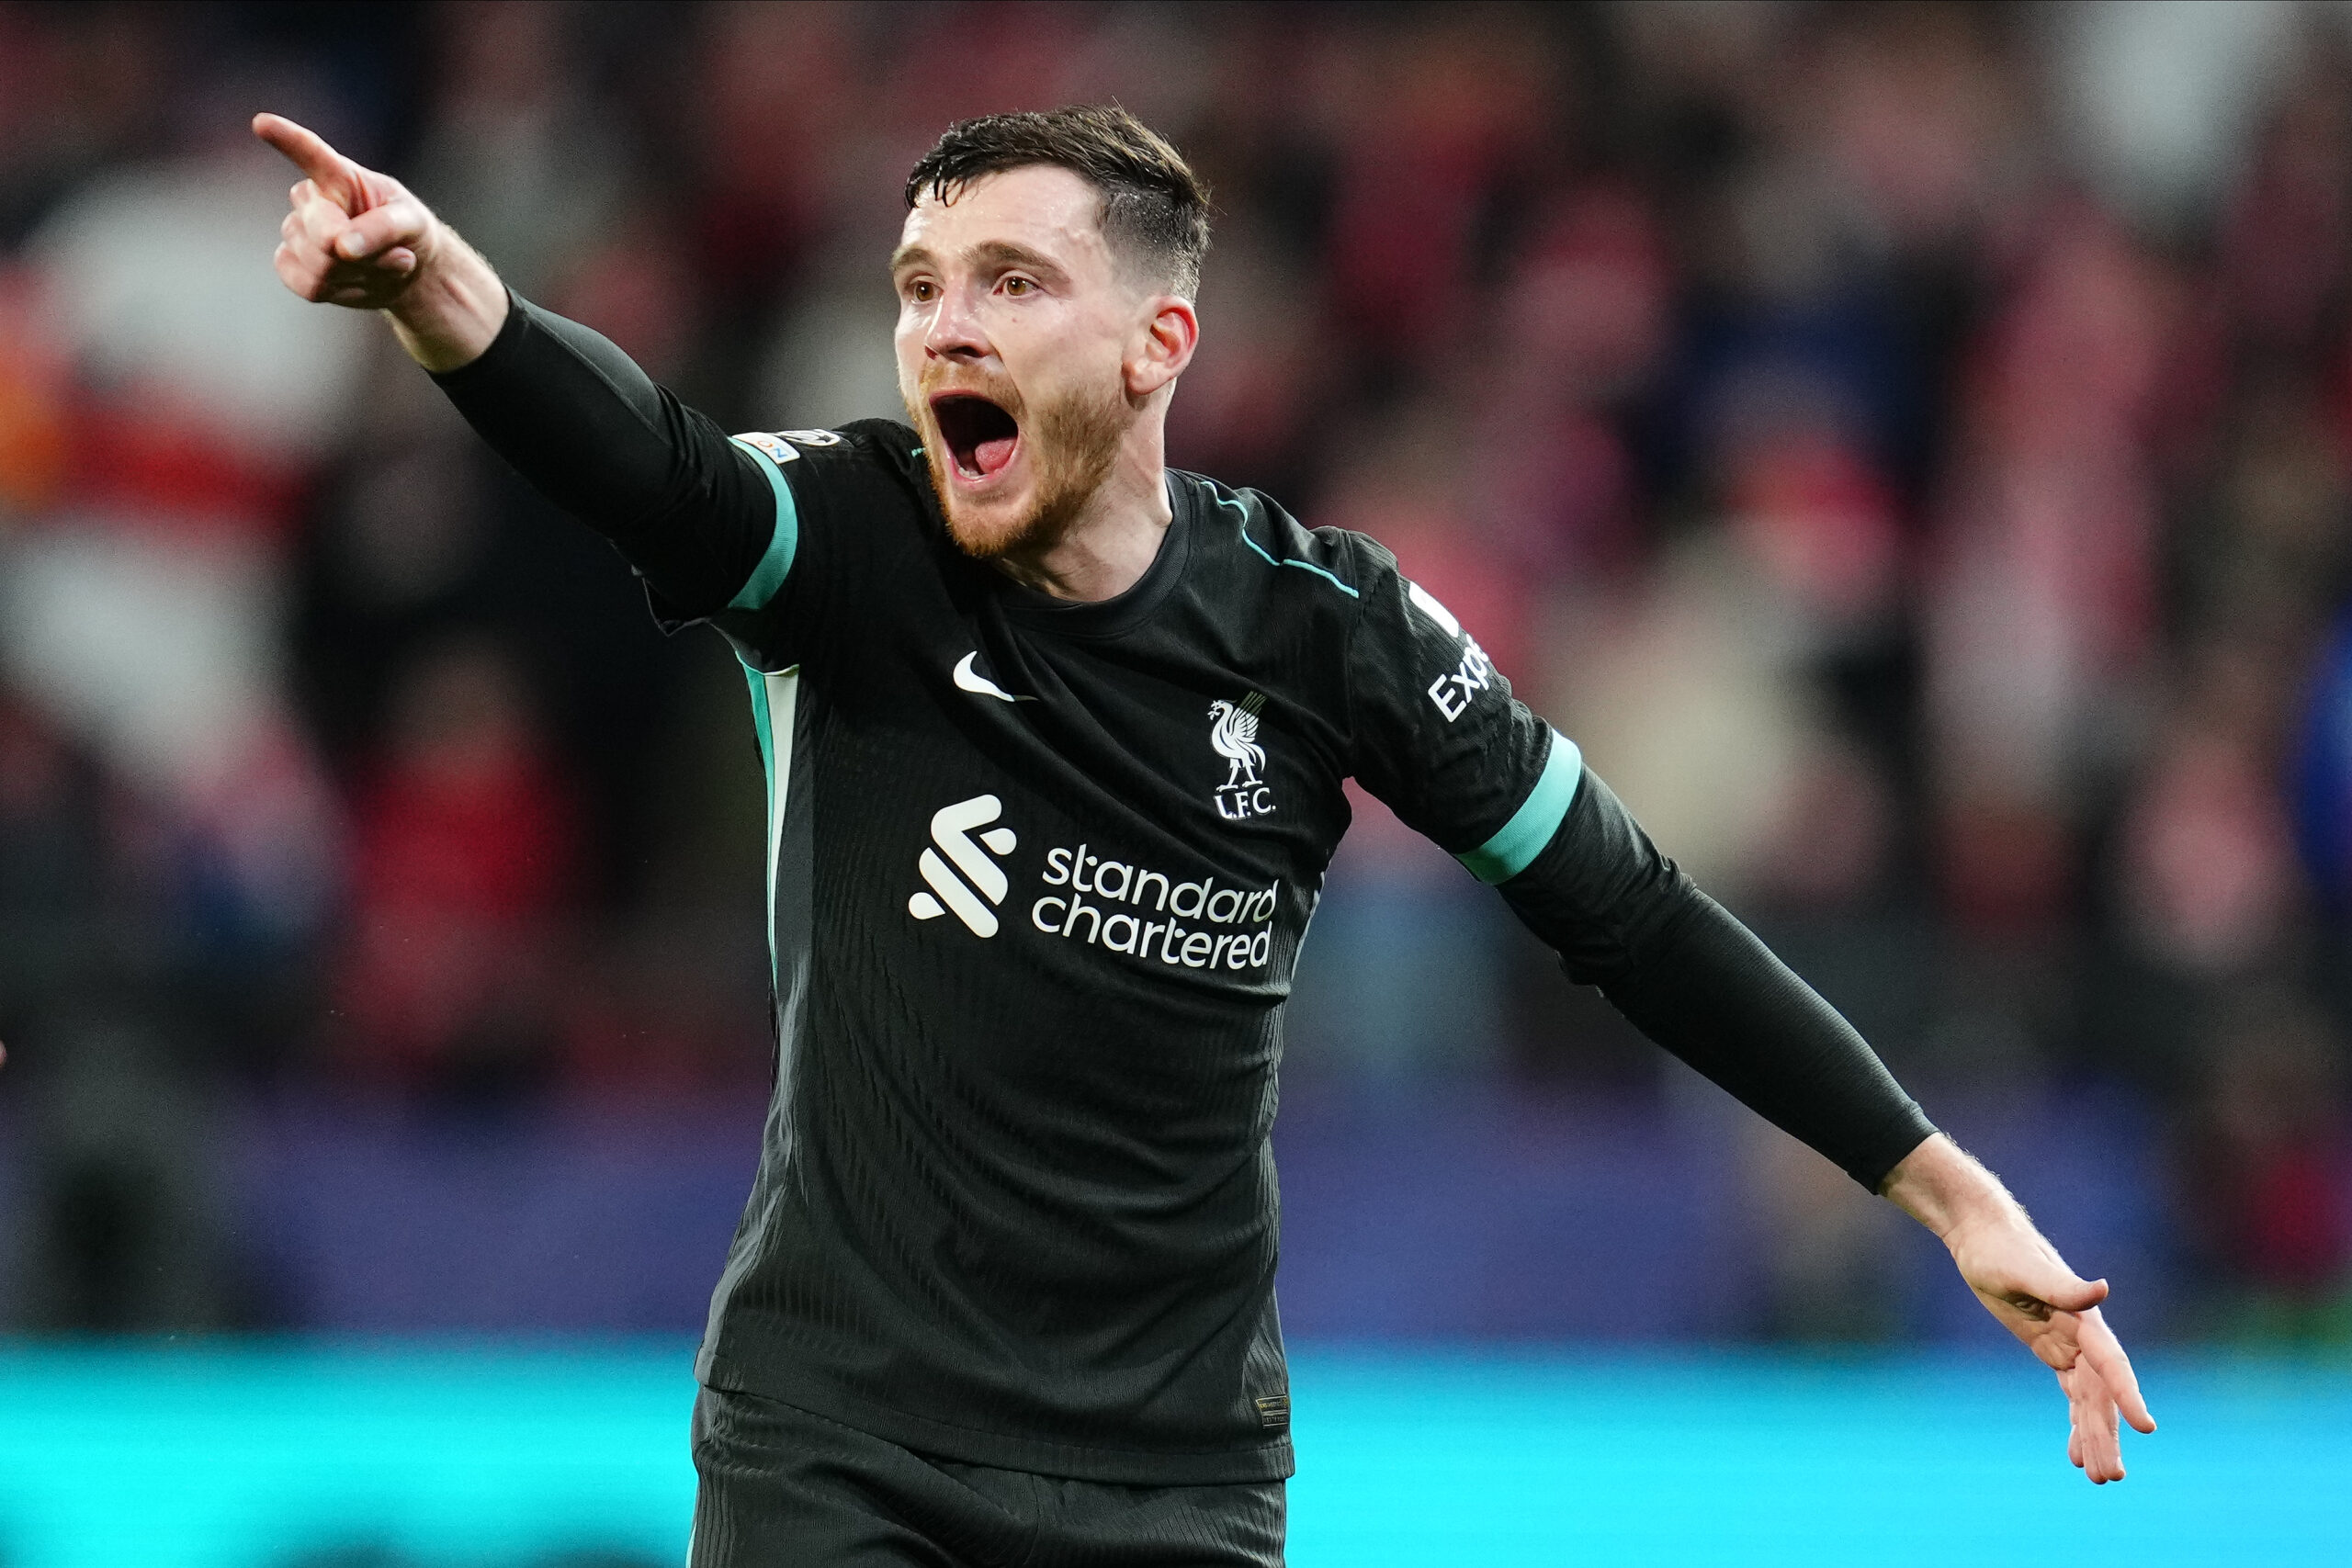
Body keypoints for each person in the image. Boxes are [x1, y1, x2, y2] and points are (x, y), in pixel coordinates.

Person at [254, 103, 2154, 1563]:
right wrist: (439, 294)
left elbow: (1629, 916)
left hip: (1171, 1474)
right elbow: (655, 466)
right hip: (839, 1442)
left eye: (1010, 280)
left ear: (1158, 337)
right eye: (918, 284)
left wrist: (1936, 1181)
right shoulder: (854, 543)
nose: (941, 327)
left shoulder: (1324, 630)